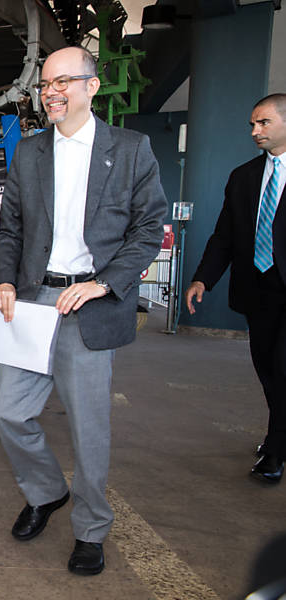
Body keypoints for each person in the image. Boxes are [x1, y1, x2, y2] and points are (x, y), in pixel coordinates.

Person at [0, 46, 166, 575]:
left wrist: (103, 284)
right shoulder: (29, 152)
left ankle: (91, 529)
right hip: (33, 302)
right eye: (45, 84)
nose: (52, 92)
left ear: (92, 85)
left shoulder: (130, 149)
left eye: (63, 81)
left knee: (89, 428)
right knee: (6, 409)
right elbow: (9, 229)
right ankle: (46, 492)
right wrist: (4, 279)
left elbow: (147, 230)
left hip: (89, 305)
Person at [185, 93, 286, 484]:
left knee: (282, 367)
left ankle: (275, 450)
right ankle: (279, 436)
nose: (255, 131)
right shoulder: (243, 177)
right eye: (252, 124)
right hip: (258, 289)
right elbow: (224, 236)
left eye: (264, 122)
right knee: (267, 368)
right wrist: (202, 278)